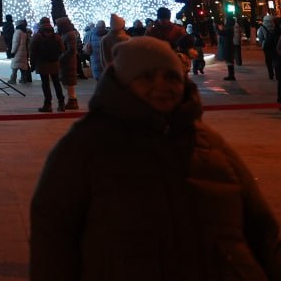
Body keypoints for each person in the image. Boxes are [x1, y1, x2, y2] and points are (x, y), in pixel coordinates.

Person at [29, 36, 281, 279]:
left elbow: (261, 229)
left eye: (171, 76)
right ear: (125, 83)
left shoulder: (209, 145)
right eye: (147, 76)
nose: (162, 85)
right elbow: (52, 239)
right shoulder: (84, 147)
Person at [30, 17, 65, 113]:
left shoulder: (37, 36)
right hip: (54, 62)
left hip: (42, 63)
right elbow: (62, 49)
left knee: (45, 84)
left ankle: (48, 104)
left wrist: (32, 65)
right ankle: (61, 104)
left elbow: (32, 51)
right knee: (56, 83)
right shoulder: (56, 36)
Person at [55, 17, 81, 110]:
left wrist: (61, 57)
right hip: (66, 61)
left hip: (68, 62)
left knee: (69, 82)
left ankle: (72, 100)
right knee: (67, 81)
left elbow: (72, 50)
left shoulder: (69, 35)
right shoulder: (66, 34)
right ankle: (72, 100)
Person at [8, 19, 32, 83]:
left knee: (15, 68)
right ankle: (24, 79)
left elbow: (16, 43)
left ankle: (12, 80)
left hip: (17, 52)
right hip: (24, 52)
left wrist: (13, 52)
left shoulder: (17, 32)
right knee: (23, 67)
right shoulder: (24, 32)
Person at [219, 16, 238, 80]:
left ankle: (231, 76)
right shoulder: (229, 28)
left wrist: (219, 28)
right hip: (228, 45)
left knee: (229, 60)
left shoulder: (229, 28)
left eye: (225, 19)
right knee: (229, 60)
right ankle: (231, 75)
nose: (224, 21)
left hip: (228, 46)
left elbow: (221, 33)